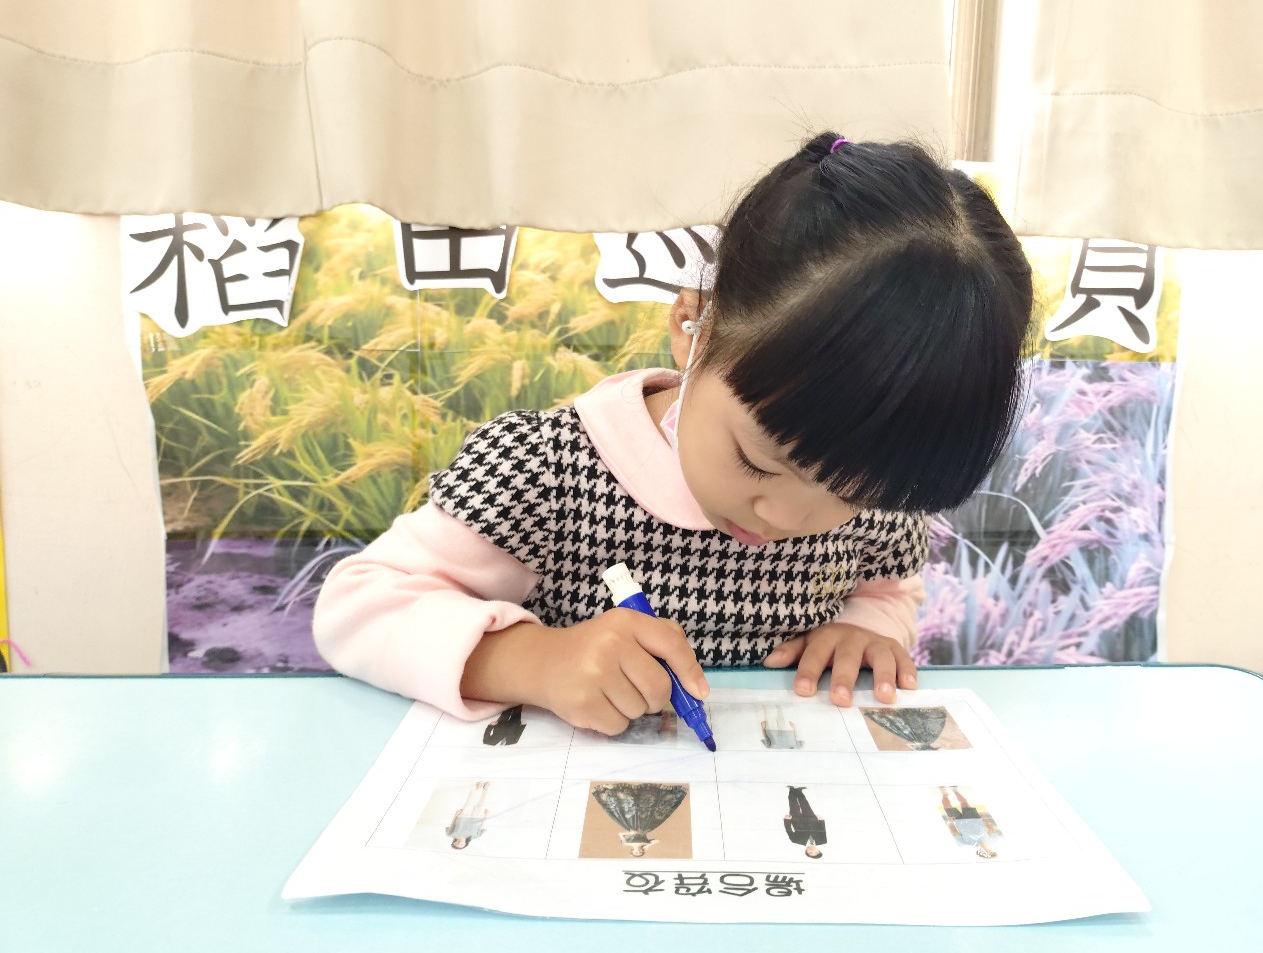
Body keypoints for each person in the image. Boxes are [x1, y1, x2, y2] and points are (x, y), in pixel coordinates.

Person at [314, 132, 1035, 736]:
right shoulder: (547, 471)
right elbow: (358, 606)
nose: (787, 518)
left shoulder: (876, 480)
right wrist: (531, 660)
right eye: (758, 462)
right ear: (695, 326)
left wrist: (868, 628)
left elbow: (887, 584)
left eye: (851, 493)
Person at [590, 782, 688, 857]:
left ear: (632, 851)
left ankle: (624, 792)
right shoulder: (645, 843)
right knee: (646, 809)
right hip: (645, 825)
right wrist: (646, 847)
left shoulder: (626, 844)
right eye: (640, 853)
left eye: (636, 853)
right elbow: (657, 840)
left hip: (630, 825)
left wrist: (631, 833)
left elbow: (620, 834)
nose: (638, 851)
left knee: (628, 808)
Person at [939, 786, 1001, 858]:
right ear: (992, 850)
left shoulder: (965, 844)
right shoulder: (993, 840)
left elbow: (955, 833)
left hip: (958, 821)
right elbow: (991, 828)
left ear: (981, 853)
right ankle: (955, 790)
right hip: (974, 818)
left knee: (947, 806)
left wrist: (949, 823)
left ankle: (944, 794)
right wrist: (985, 817)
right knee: (964, 803)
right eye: (991, 852)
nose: (988, 852)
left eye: (986, 854)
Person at [784, 786, 827, 858]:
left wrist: (787, 820)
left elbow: (789, 830)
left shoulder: (796, 841)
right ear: (819, 850)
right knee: (805, 805)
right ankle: (799, 791)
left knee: (793, 806)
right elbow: (823, 830)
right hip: (812, 821)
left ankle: (791, 790)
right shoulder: (822, 841)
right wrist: (821, 820)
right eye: (815, 852)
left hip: (797, 821)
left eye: (810, 853)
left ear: (806, 851)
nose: (812, 851)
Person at [447, 781, 490, 850]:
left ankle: (478, 788)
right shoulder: (475, 836)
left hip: (462, 817)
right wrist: (486, 816)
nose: (459, 843)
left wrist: (456, 814)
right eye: (461, 845)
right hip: (477, 818)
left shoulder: (450, 834)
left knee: (470, 802)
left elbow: (452, 824)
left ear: (453, 842)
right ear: (465, 844)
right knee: (482, 803)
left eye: (456, 844)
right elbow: (482, 827)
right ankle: (485, 789)